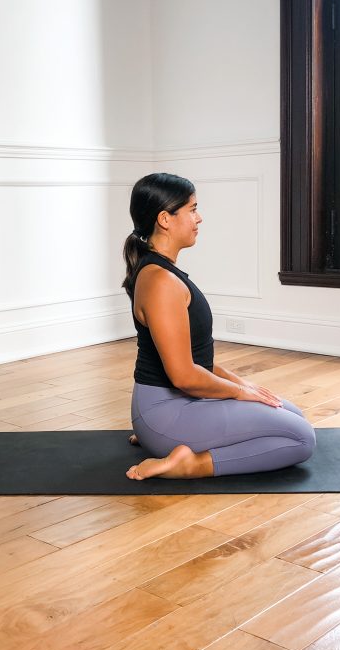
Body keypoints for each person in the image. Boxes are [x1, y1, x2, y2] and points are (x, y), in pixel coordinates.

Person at [122, 173, 316, 480]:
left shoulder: (164, 272)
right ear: (165, 219)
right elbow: (184, 376)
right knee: (302, 439)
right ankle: (188, 464)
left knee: (291, 414)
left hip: (176, 406)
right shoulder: (160, 282)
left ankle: (165, 440)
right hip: (167, 412)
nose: (199, 218)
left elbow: (198, 360)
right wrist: (238, 393)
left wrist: (244, 384)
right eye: (192, 209)